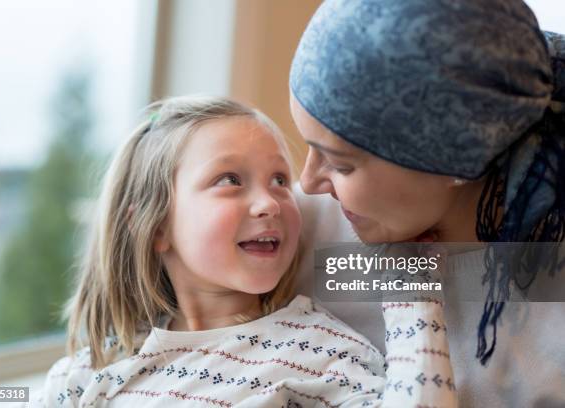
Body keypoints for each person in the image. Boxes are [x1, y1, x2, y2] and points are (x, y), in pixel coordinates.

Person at [33, 96, 457, 407]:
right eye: (230, 179)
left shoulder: (323, 352)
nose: (271, 202)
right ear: (156, 226)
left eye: (278, 180)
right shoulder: (90, 373)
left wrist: (412, 291)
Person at [289, 0, 565, 406]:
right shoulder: (290, 229)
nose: (307, 182)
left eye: (341, 164)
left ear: (458, 160)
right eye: (310, 148)